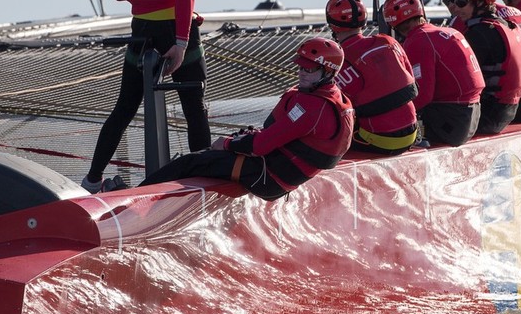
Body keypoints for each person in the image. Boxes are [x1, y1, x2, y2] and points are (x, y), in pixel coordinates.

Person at [81, 0, 211, 193]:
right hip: (175, 31)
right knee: (194, 106)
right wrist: (180, 42)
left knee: (124, 107)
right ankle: (204, 178)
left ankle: (92, 180)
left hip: (140, 31)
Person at [131, 38, 354, 200]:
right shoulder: (331, 97)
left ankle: (130, 202)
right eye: (300, 66)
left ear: (328, 71)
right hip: (276, 172)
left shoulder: (312, 108)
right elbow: (272, 133)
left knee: (189, 163)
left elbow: (260, 145)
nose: (302, 72)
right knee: (204, 158)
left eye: (310, 68)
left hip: (268, 178)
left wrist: (226, 143)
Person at [383, 0, 484, 146]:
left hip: (452, 123)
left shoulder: (419, 40)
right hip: (472, 116)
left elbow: (422, 95)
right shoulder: (449, 32)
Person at [326, 0, 419, 155]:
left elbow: (338, 108)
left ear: (332, 25)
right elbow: (411, 79)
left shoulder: (338, 61)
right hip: (412, 132)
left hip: (380, 140)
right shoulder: (388, 41)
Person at [450, 0, 521, 134]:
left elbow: (456, 78)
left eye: (462, 2)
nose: (456, 8)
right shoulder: (509, 26)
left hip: (486, 116)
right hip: (507, 112)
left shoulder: (480, 33)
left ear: (480, 1)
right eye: (453, 1)